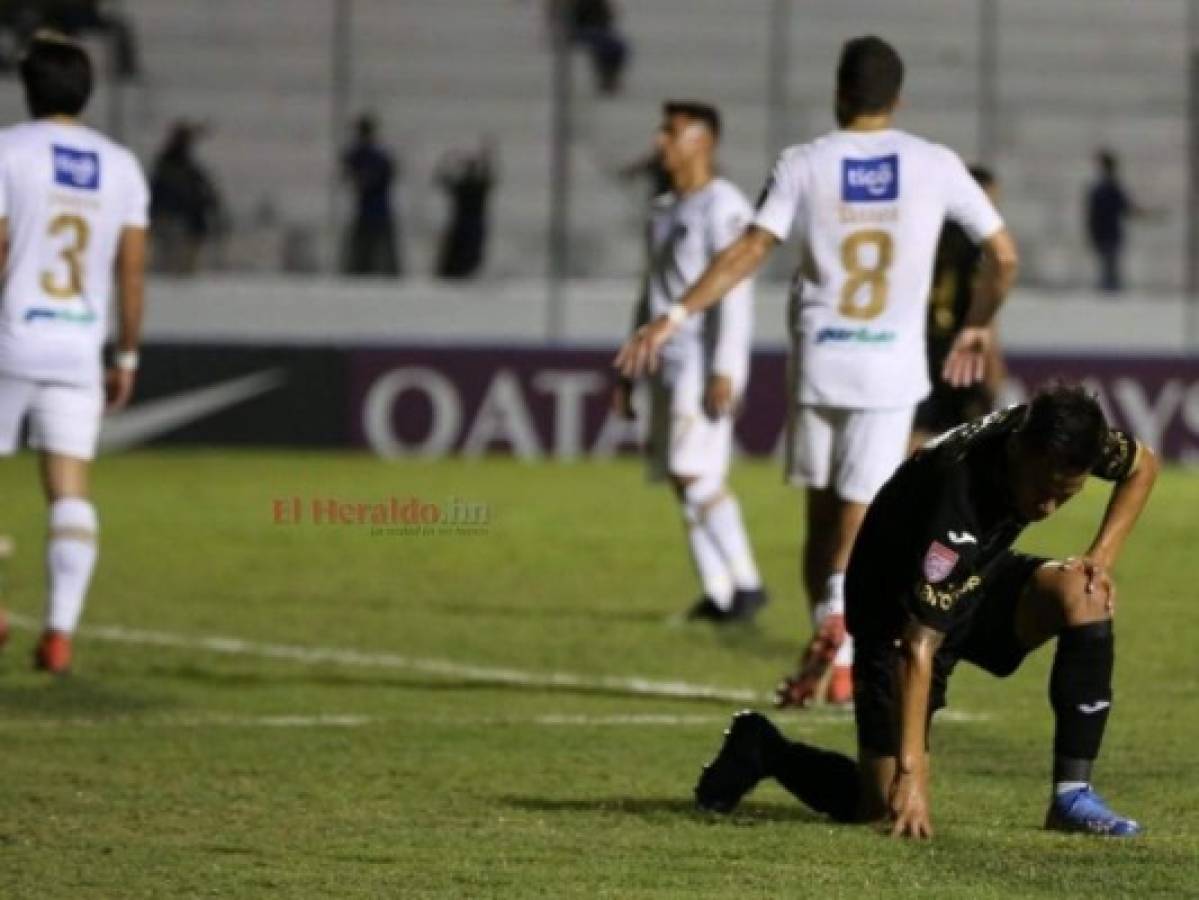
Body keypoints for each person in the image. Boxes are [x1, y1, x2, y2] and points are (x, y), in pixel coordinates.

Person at [615, 35, 1019, 706]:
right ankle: (843, 644)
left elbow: (749, 248)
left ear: (837, 93)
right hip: (891, 370)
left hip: (821, 361)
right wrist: (976, 321)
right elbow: (1002, 256)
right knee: (861, 520)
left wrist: (675, 316)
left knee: (820, 520)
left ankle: (826, 642)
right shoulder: (934, 163)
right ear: (897, 98)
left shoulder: (804, 162)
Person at [694, 385, 1158, 839]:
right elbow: (918, 645)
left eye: (1065, 495)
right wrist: (912, 773)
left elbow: (1143, 466)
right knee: (879, 807)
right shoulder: (957, 497)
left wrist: (1101, 557)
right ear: (1019, 451)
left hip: (976, 578)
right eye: (1042, 488)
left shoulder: (1059, 437)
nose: (1047, 505)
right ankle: (764, 749)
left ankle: (1072, 797)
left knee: (1084, 591)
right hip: (892, 614)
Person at [0, 31, 149, 673]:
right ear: (87, 92)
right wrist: (127, 357)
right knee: (69, 492)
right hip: (78, 347)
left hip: (8, 338)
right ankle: (58, 633)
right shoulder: (120, 165)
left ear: (26, 89)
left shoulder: (8, 151)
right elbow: (132, 271)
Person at [613, 101, 767, 623]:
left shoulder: (723, 205)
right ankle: (720, 592)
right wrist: (628, 364)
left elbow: (735, 290)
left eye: (672, 132)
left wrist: (726, 366)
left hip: (700, 359)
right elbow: (649, 293)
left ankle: (745, 585)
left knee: (693, 473)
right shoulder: (664, 209)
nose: (660, 141)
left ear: (703, 141)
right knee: (681, 478)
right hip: (662, 359)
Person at [909, 166, 1006, 450]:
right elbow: (982, 305)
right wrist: (992, 365)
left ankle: (901, 492)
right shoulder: (979, 246)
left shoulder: (927, 234)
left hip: (917, 345)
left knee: (918, 428)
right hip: (959, 351)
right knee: (962, 435)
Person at [149, 120, 222, 275]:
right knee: (175, 258)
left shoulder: (182, 167)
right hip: (175, 217)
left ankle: (178, 269)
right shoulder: (173, 167)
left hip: (182, 219)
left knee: (179, 259)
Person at [341, 114, 401, 277]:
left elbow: (381, 176)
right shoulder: (362, 154)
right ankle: (361, 270)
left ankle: (381, 272)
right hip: (368, 208)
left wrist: (363, 179)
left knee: (378, 244)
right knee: (366, 245)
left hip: (377, 208)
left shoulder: (377, 156)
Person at [435, 138, 496, 279]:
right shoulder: (471, 186)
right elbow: (442, 181)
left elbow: (442, 180)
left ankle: (461, 272)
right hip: (467, 223)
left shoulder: (470, 186)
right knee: (463, 252)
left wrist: (446, 160)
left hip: (468, 223)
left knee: (466, 252)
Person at [1085, 149, 1142, 293]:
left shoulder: (1103, 188)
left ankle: (1108, 287)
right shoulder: (1107, 188)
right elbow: (1126, 208)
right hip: (1108, 232)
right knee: (1109, 263)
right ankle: (1109, 287)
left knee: (1108, 263)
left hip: (1106, 232)